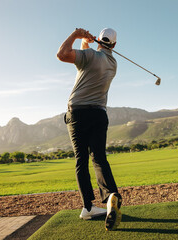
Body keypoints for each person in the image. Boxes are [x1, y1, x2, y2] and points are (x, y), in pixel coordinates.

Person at [57, 28, 122, 231]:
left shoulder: (90, 55)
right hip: (99, 114)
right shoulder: (112, 63)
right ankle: (110, 194)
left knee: (81, 160)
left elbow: (62, 55)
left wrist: (76, 35)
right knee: (99, 158)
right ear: (114, 45)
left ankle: (88, 207)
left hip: (77, 113)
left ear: (98, 42)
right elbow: (87, 59)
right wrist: (87, 43)